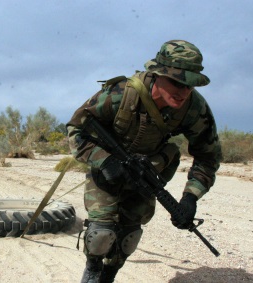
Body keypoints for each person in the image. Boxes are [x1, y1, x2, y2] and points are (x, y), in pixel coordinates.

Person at [66, 40, 222, 283]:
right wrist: (105, 162)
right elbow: (76, 129)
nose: (183, 92)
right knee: (100, 235)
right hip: (106, 170)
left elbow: (208, 156)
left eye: (190, 85)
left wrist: (190, 197)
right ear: (157, 74)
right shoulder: (120, 94)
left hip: (146, 175)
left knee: (128, 238)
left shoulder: (194, 108)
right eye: (176, 82)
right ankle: (93, 270)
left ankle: (109, 275)